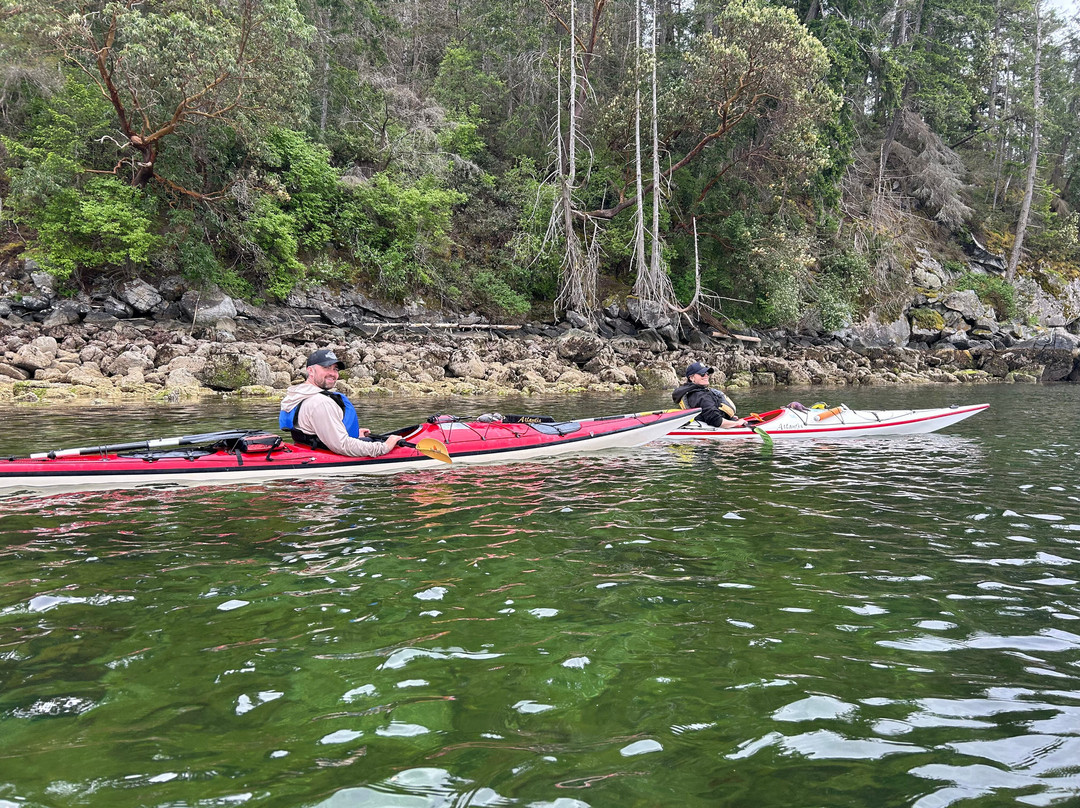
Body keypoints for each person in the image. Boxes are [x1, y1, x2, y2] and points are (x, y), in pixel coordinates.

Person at [279, 348, 404, 456]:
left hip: (310, 447)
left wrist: (352, 433)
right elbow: (342, 445)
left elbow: (314, 431)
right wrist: (384, 447)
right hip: (328, 470)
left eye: (335, 369)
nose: (333, 374)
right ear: (310, 371)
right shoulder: (320, 402)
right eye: (326, 368)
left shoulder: (297, 395)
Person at [671, 361, 748, 428]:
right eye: (702, 374)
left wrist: (726, 416)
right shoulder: (701, 396)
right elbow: (716, 421)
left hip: (702, 423)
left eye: (707, 373)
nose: (706, 376)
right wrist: (736, 423)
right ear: (691, 378)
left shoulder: (692, 391)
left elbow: (707, 412)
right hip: (712, 429)